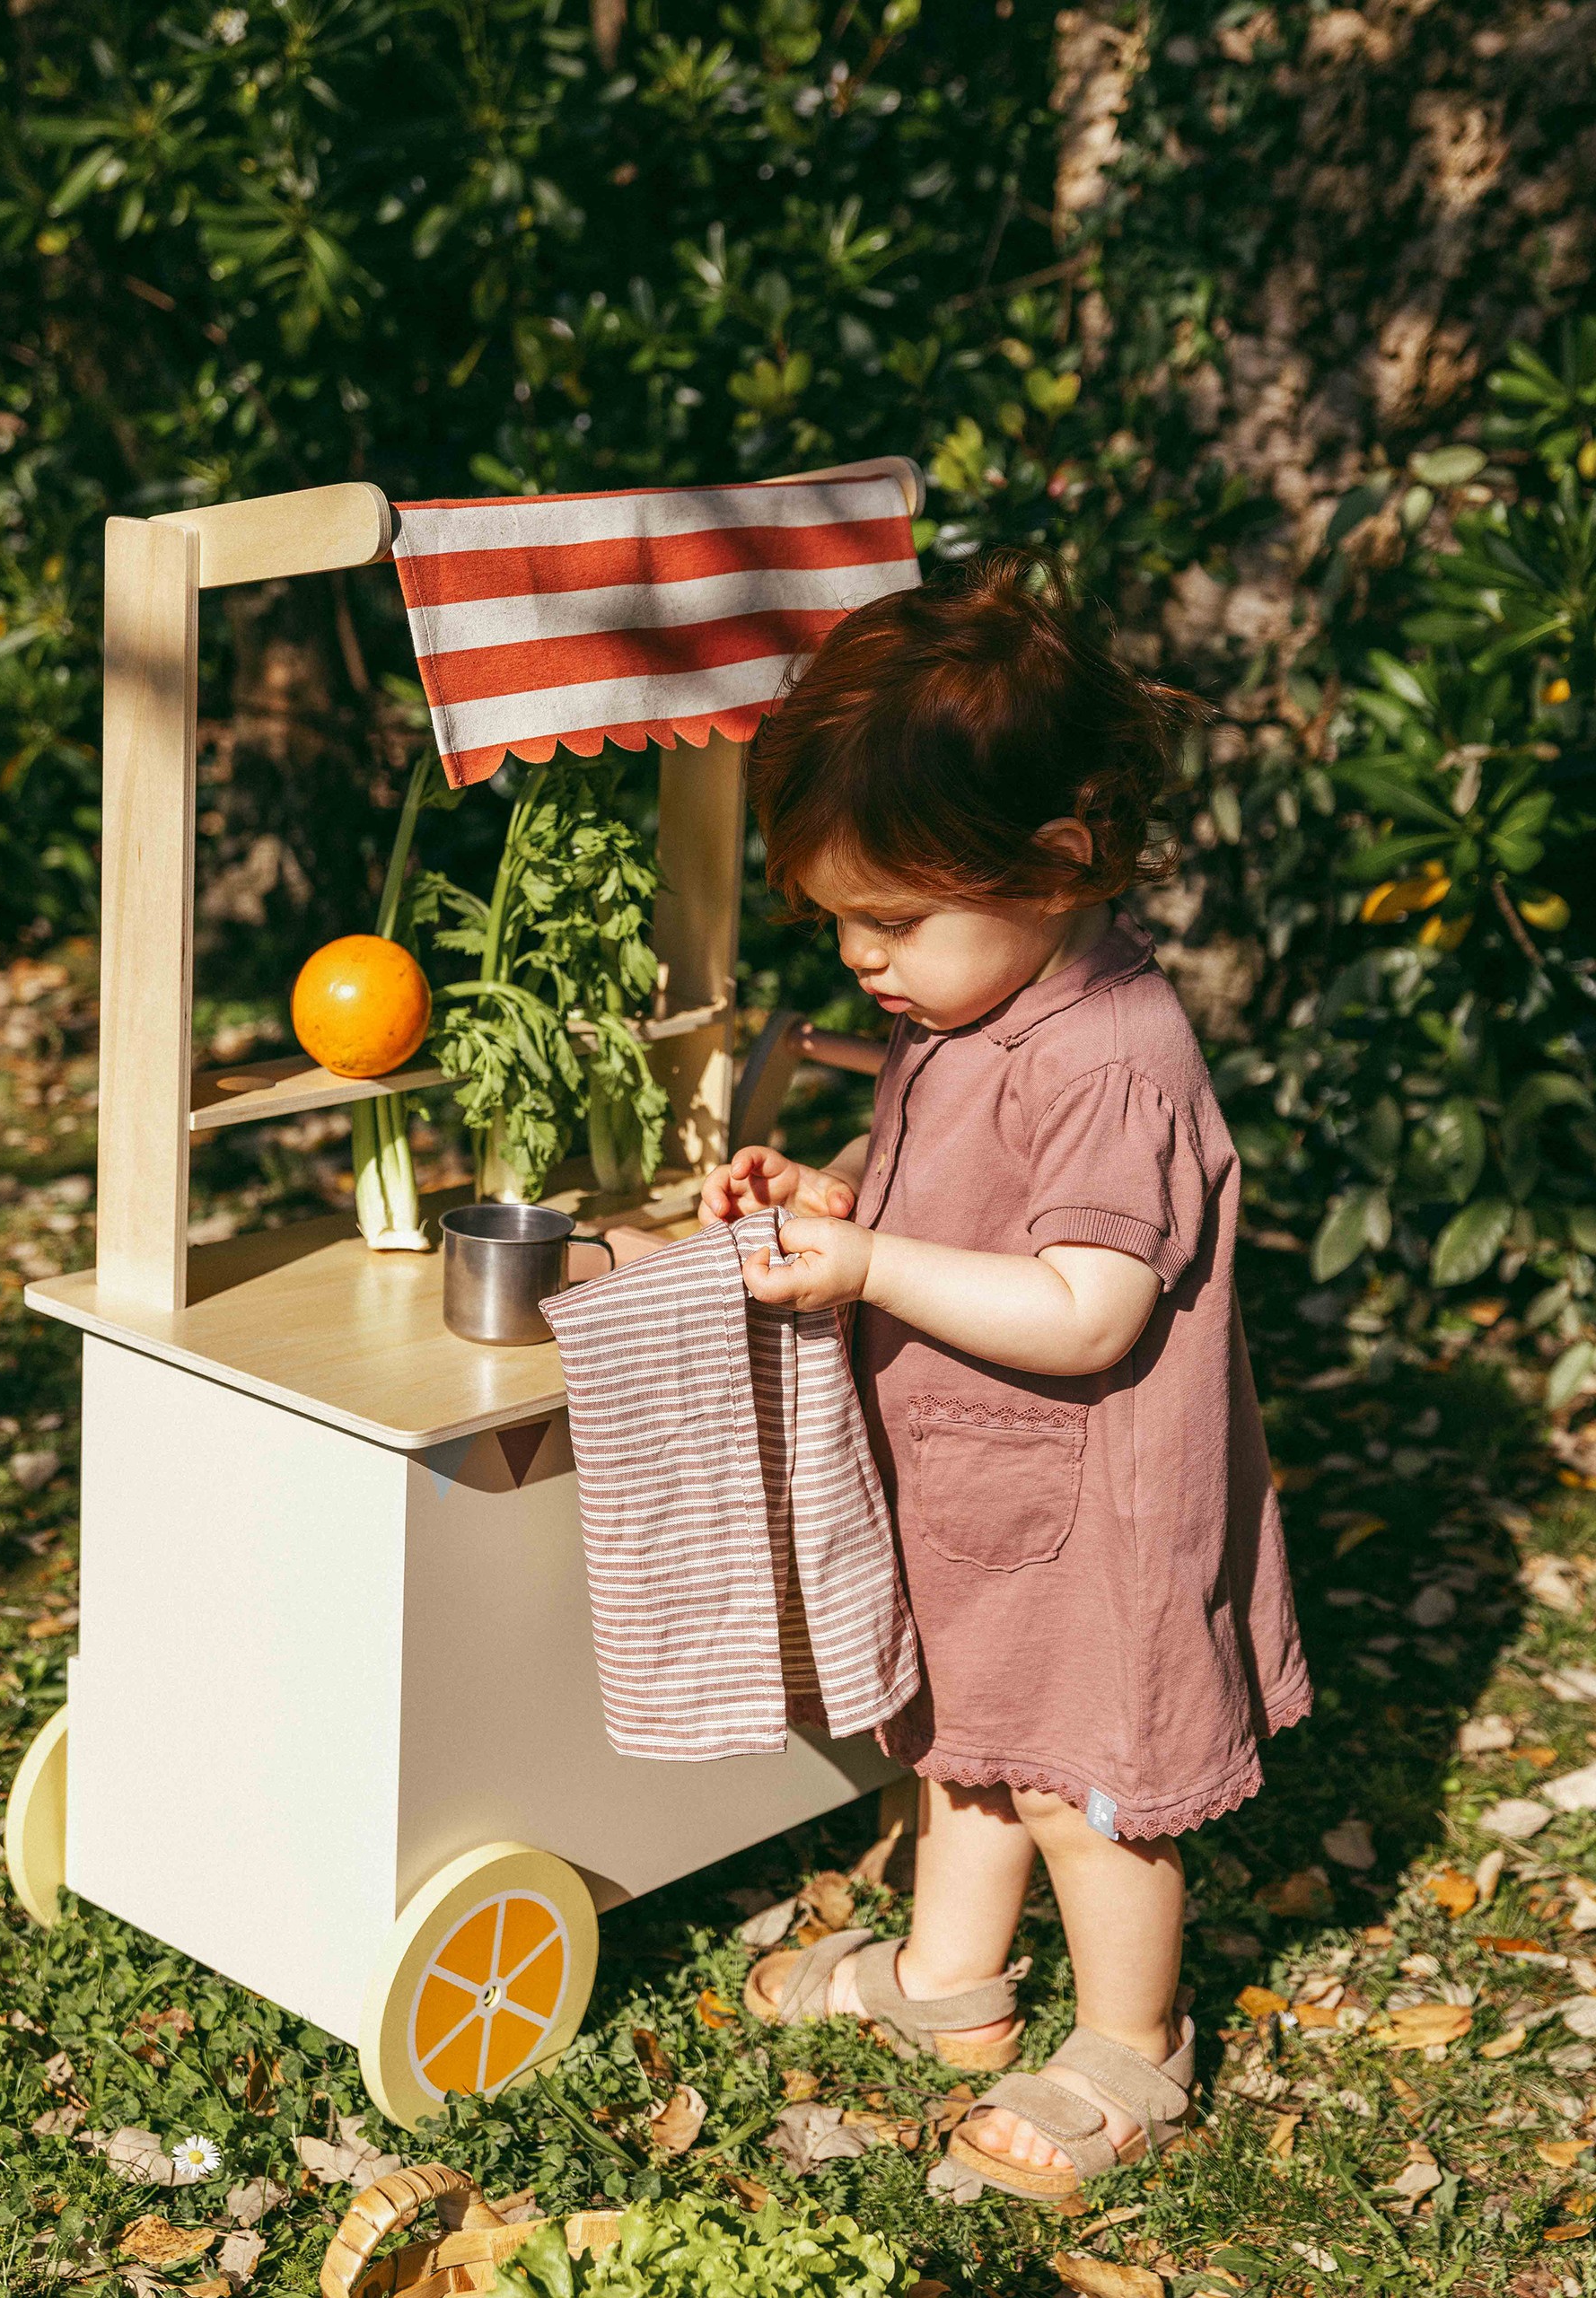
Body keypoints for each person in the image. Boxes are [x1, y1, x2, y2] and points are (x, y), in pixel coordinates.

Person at [698, 552, 1311, 2203]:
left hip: (1094, 1509)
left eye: (891, 922)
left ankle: (1133, 2044)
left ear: (1052, 865)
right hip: (984, 1491)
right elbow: (945, 1166)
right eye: (839, 923)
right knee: (966, 1739)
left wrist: (874, 1269)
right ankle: (950, 1986)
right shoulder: (973, 1014)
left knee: (1088, 1789)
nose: (861, 962)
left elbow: (1090, 1307)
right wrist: (840, 1189)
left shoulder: (1117, 1057)